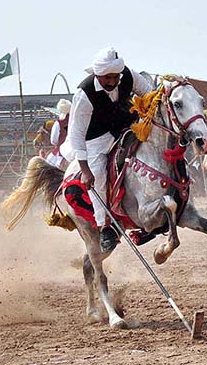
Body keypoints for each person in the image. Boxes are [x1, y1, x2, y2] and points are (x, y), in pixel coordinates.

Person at [60, 47, 153, 251]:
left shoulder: (129, 76)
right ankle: (105, 227)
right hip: (95, 139)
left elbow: (151, 96)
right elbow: (76, 134)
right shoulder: (84, 95)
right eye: (107, 78)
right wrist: (85, 171)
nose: (112, 82)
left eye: (115, 77)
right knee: (98, 176)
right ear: (97, 74)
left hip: (127, 127)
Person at [46, 99, 71, 169]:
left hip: (63, 151)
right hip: (79, 150)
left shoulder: (59, 123)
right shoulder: (76, 120)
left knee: (48, 164)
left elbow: (53, 141)